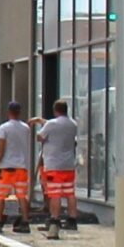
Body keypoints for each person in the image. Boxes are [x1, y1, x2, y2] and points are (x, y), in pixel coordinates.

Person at [39, 97, 81, 236]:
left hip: (53, 164)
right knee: (70, 193)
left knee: (55, 193)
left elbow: (40, 136)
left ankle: (54, 219)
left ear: (55, 110)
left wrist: (42, 124)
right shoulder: (73, 124)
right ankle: (72, 220)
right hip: (68, 164)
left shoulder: (51, 124)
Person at [0, 102, 34, 233]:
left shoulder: (4, 128)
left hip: (6, 167)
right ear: (19, 112)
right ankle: (25, 222)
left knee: (1, 196)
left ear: (8, 112)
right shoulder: (25, 128)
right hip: (21, 167)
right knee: (22, 196)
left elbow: (0, 147)